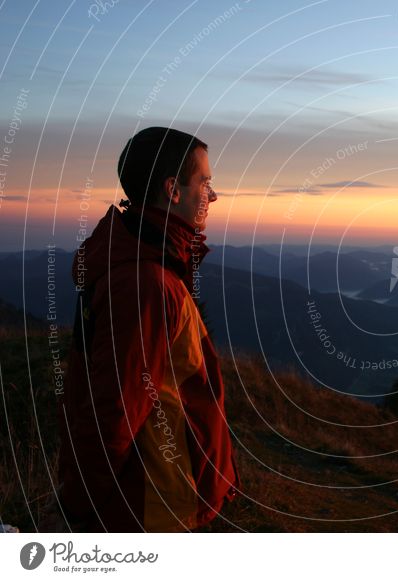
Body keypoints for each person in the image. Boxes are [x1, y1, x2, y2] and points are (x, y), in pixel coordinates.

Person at [47, 126, 239, 532]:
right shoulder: (145, 283)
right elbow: (115, 410)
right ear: (173, 190)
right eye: (204, 182)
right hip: (151, 505)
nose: (214, 195)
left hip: (153, 496)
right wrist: (78, 508)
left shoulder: (146, 260)